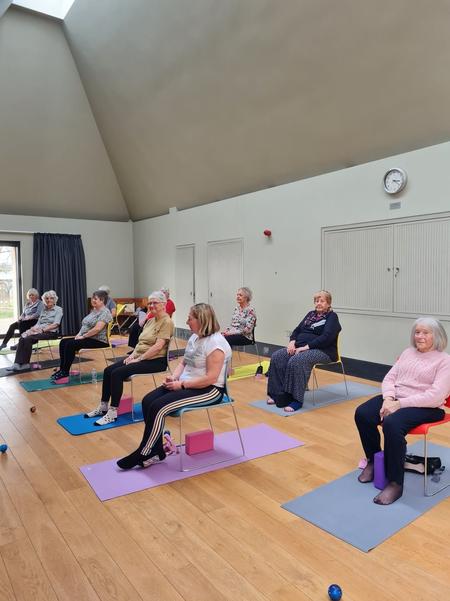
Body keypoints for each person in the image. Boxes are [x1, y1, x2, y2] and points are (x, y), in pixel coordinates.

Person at [117, 303, 231, 470]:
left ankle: (145, 451)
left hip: (210, 389)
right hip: (187, 384)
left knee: (159, 408)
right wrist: (174, 377)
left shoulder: (216, 343)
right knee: (148, 401)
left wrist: (182, 384)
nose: (186, 322)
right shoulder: (194, 338)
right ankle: (156, 451)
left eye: (189, 318)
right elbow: (184, 363)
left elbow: (211, 378)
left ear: (201, 320)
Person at [355, 317, 450, 505]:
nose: (420, 336)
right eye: (417, 332)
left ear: (437, 336)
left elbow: (435, 395)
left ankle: (395, 482)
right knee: (363, 413)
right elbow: (390, 378)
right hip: (396, 399)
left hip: (428, 406)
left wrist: (399, 404)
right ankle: (373, 461)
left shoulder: (445, 361)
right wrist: (389, 398)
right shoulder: (407, 353)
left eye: (425, 332)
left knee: (392, 423)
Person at [84, 290, 174, 425]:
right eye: (149, 303)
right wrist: (132, 356)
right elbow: (140, 343)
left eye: (155, 303)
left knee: (117, 373)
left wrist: (139, 359)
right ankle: (103, 407)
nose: (151, 306)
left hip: (155, 361)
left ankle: (112, 412)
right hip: (141, 357)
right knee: (108, 370)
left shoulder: (166, 322)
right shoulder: (150, 321)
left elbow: (158, 346)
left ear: (163, 304)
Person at [267, 290, 341, 412]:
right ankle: (277, 395)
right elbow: (297, 330)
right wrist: (292, 342)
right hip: (299, 347)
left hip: (323, 351)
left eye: (322, 301)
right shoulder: (310, 314)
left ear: (328, 303)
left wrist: (306, 347)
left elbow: (326, 337)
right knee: (277, 356)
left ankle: (296, 400)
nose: (318, 303)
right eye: (316, 301)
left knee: (298, 360)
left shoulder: (332, 317)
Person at [52, 290, 112, 384]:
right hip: (88, 337)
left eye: (95, 299)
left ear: (102, 300)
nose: (93, 300)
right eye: (93, 298)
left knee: (70, 345)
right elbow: (85, 325)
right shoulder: (94, 311)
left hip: (98, 340)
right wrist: (78, 335)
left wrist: (83, 336)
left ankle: (65, 372)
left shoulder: (105, 312)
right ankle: (62, 369)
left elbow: (97, 329)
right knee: (63, 342)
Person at [6, 290, 63, 371]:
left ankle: (25, 364)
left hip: (50, 332)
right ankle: (16, 364)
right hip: (38, 330)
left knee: (28, 339)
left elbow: (56, 324)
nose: (49, 300)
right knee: (23, 337)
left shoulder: (59, 310)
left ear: (55, 300)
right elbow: (38, 323)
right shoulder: (44, 310)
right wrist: (32, 329)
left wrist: (43, 330)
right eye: (46, 298)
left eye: (51, 298)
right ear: (44, 300)